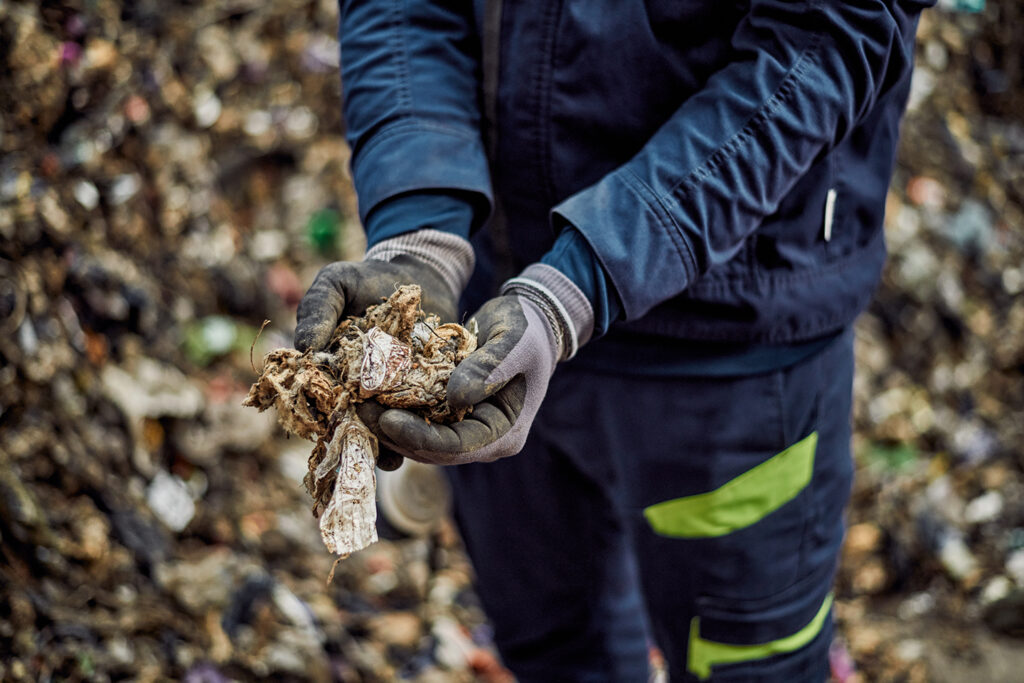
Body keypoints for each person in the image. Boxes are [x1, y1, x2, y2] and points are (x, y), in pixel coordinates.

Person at [294, 1, 935, 680]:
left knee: (749, 669)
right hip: (495, 328)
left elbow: (822, 45)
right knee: (556, 650)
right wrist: (419, 227)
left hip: (727, 354)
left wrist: (582, 284)